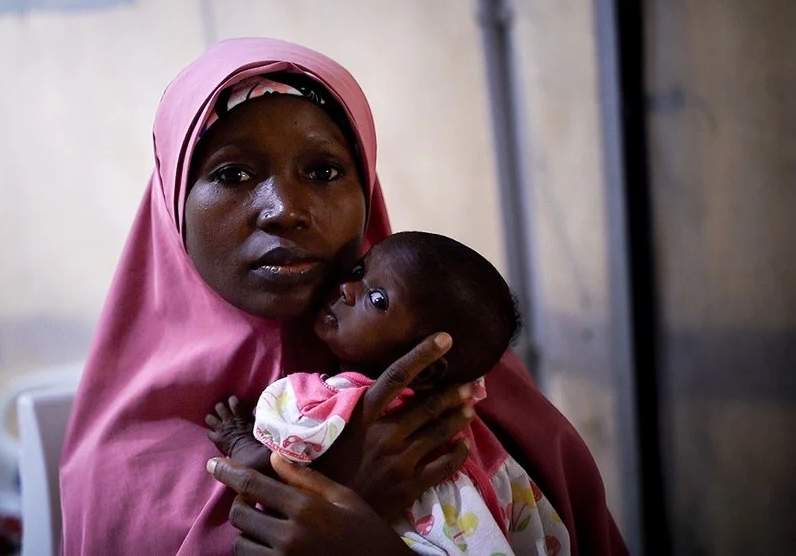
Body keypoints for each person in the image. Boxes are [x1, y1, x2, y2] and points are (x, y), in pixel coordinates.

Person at [59, 37, 628, 555]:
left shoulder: (468, 386)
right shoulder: (120, 467)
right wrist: (335, 488)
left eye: (324, 171)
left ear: (366, 188)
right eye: (232, 175)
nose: (284, 210)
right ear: (173, 202)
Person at [206, 231, 569, 555]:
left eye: (377, 299)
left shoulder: (338, 399)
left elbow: (276, 464)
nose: (347, 287)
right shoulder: (470, 420)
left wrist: (239, 440)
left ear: (426, 369)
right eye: (359, 270)